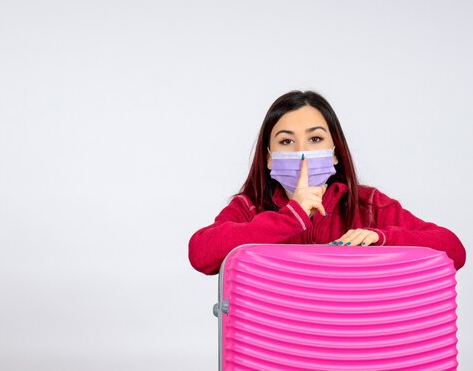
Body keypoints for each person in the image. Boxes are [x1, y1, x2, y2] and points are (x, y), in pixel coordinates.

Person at [188, 90, 466, 275]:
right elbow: (201, 254)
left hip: (350, 346)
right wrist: (291, 217)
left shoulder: (367, 205)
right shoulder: (249, 208)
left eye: (315, 139)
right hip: (275, 348)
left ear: (334, 152)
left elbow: (453, 250)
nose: (302, 153)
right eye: (286, 141)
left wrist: (383, 238)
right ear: (269, 158)